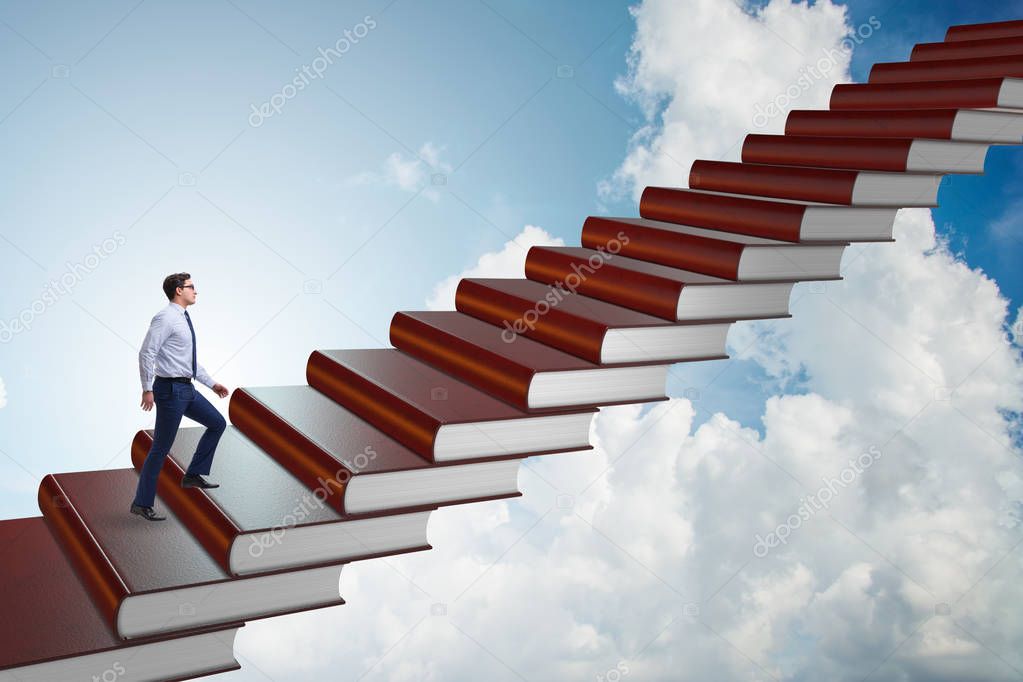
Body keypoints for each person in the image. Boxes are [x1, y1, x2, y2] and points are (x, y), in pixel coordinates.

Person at [130, 272, 230, 521]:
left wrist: (212, 384)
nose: (195, 291)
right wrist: (147, 388)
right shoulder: (165, 318)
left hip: (188, 390)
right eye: (191, 287)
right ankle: (142, 504)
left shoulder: (183, 318)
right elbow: (146, 353)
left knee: (217, 423)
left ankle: (192, 475)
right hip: (170, 390)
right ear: (178, 291)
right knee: (161, 448)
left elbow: (189, 361)